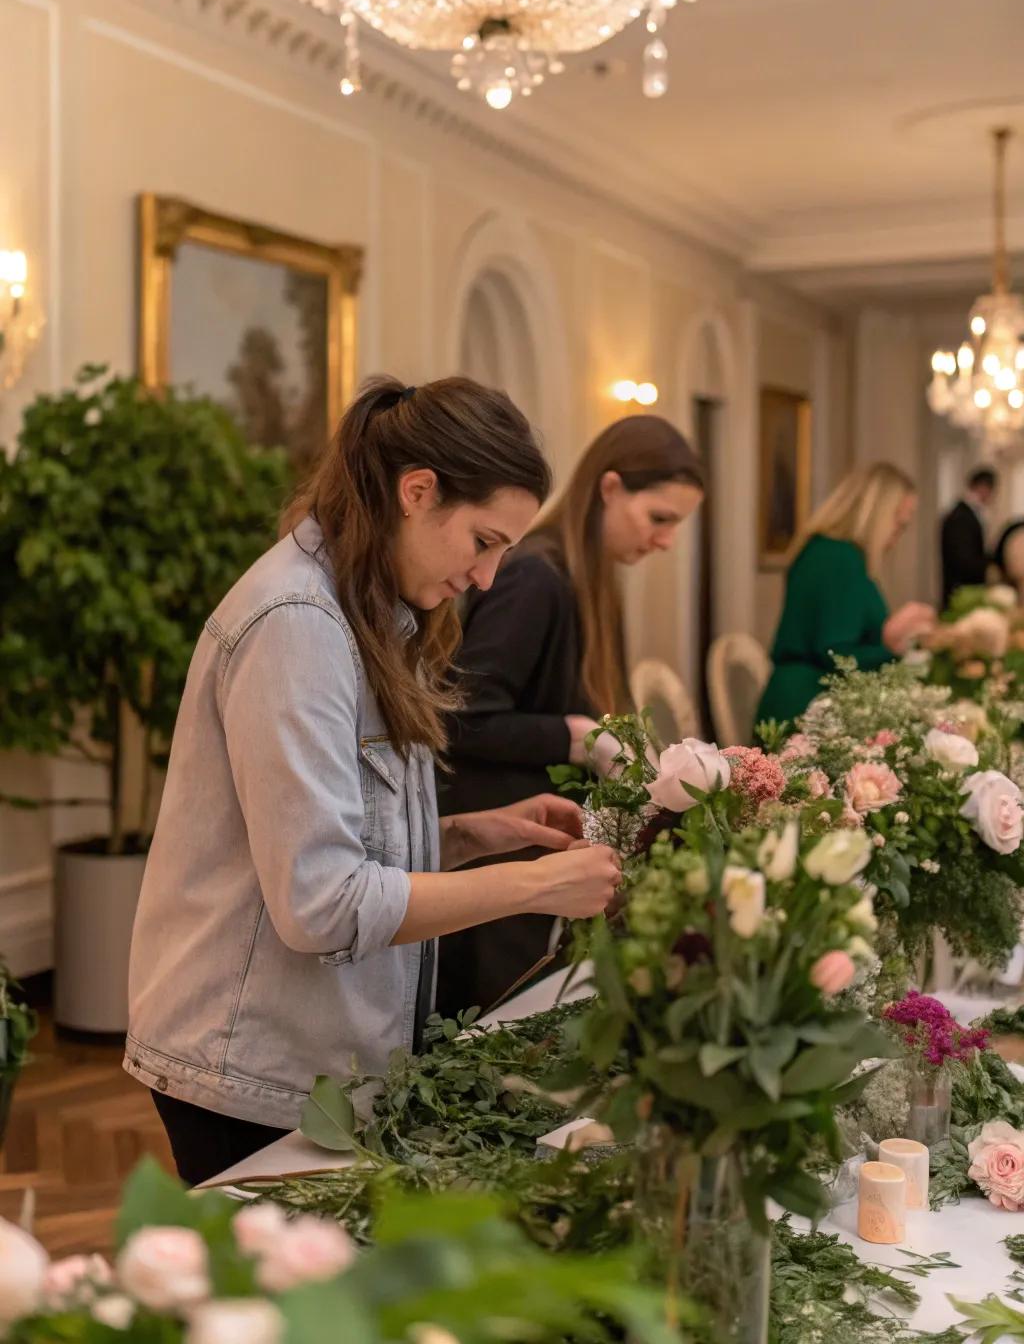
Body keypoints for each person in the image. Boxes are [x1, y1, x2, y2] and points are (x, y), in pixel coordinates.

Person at [124, 377, 622, 1186]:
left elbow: (343, 841)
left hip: (309, 1058)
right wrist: (536, 886)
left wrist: (473, 834)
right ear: (417, 492)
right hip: (250, 1068)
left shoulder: (367, 610)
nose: (490, 577)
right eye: (484, 541)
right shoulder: (297, 625)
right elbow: (322, 902)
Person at [436, 415, 705, 1018]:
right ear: (609, 489)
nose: (665, 540)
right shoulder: (536, 575)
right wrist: (573, 737)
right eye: (659, 518)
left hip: (529, 843)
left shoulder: (579, 576)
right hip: (498, 845)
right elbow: (459, 717)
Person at [757, 462, 935, 729]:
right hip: (806, 710)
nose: (896, 536)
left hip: (804, 698)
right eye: (898, 524)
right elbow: (834, 652)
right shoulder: (840, 557)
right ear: (876, 515)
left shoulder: (826, 549)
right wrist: (890, 643)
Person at [940, 466, 998, 609]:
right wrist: (989, 568)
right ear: (983, 488)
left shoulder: (965, 513)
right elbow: (963, 560)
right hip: (961, 595)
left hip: (964, 592)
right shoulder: (961, 517)